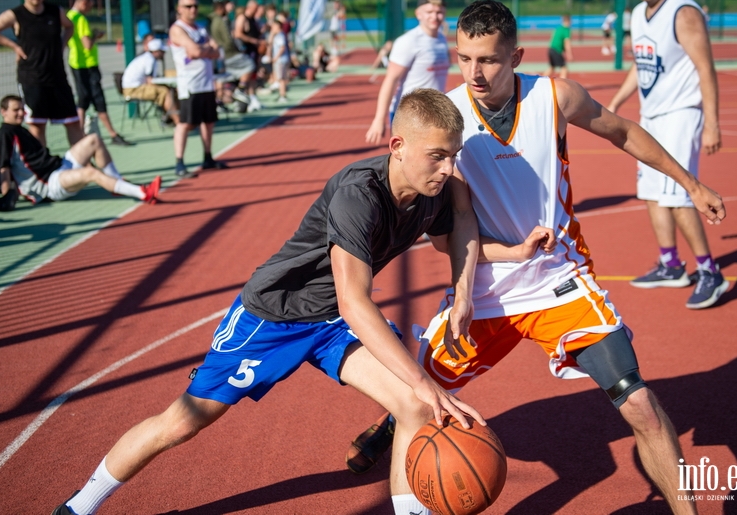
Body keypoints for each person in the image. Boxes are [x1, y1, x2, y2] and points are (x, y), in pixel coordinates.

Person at [346, 0, 726, 515]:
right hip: (483, 287)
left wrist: (691, 182)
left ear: (517, 55)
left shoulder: (556, 98)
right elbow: (450, 233)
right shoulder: (448, 120)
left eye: (488, 60)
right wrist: (463, 292)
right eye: (464, 59)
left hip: (558, 281)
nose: (474, 73)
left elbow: (623, 131)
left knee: (640, 404)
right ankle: (392, 425)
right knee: (417, 398)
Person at [51, 88, 486, 515]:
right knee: (182, 422)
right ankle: (77, 507)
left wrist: (463, 291)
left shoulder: (435, 190)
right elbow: (355, 301)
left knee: (414, 406)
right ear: (397, 147)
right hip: (273, 317)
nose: (449, 169)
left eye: (454, 155)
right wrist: (423, 379)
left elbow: (464, 217)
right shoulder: (359, 195)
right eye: (437, 156)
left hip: (331, 321)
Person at [607, 0, 728, 309]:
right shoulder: (638, 14)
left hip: (681, 113)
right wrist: (617, 101)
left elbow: (706, 68)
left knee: (677, 194)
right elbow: (640, 63)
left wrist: (712, 123)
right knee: (650, 192)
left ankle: (710, 271)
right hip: (652, 116)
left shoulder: (683, 12)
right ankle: (671, 264)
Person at [0, 95, 160, 205]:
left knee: (93, 140)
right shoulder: (4, 135)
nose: (21, 113)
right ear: (3, 112)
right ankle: (141, 193)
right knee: (90, 172)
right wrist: (6, 196)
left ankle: (117, 183)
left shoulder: (20, 129)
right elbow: (4, 167)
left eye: (22, 109)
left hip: (59, 167)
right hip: (50, 185)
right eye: (16, 110)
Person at [0, 0, 83, 147]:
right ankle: (43, 167)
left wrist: (62, 44)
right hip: (32, 78)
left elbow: (70, 26)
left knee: (72, 122)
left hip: (57, 76)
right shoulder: (16, 14)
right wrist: (14, 47)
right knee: (37, 125)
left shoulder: (55, 12)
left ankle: (83, 165)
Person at [364, 0, 451, 144]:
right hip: (409, 113)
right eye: (429, 11)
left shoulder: (442, 40)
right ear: (418, 14)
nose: (434, 16)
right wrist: (379, 119)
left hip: (434, 112)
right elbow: (390, 80)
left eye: (439, 12)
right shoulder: (408, 41)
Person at [169, 0, 228, 177]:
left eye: (195, 6)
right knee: (186, 123)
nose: (193, 9)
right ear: (180, 9)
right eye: (188, 6)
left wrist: (205, 51)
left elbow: (217, 51)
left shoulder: (200, 29)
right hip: (190, 84)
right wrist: (206, 50)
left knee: (208, 122)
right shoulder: (178, 29)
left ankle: (208, 157)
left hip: (206, 83)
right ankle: (179, 162)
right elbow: (194, 51)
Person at [67, 0, 133, 146]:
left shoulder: (69, 15)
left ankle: (82, 134)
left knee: (84, 99)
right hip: (87, 65)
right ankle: (107, 134)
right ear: (83, 3)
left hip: (76, 63)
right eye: (90, 6)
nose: (90, 9)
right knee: (95, 99)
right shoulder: (80, 19)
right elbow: (87, 45)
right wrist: (95, 35)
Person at [208, 0, 254, 109]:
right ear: (220, 8)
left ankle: (219, 102)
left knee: (220, 78)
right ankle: (240, 90)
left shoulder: (211, 20)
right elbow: (227, 40)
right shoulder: (219, 20)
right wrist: (233, 49)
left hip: (218, 54)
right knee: (250, 65)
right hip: (227, 53)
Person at [121, 37, 179, 122]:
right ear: (156, 51)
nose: (164, 54)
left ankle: (170, 117)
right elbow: (150, 81)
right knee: (165, 92)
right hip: (133, 89)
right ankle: (177, 121)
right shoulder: (149, 60)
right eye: (162, 51)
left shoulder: (147, 58)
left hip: (135, 87)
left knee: (169, 90)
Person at [233, 0, 265, 112]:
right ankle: (244, 96)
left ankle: (252, 98)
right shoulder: (242, 18)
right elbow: (237, 34)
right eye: (255, 8)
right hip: (245, 51)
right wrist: (253, 41)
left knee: (254, 76)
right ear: (250, 7)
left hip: (254, 51)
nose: (257, 11)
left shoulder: (253, 20)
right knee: (248, 74)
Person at [268, 17, 290, 103]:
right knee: (281, 78)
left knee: (281, 79)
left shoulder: (280, 35)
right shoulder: (278, 35)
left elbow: (282, 47)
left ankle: (282, 95)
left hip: (281, 60)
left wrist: (276, 57)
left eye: (273, 26)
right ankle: (282, 94)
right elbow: (269, 43)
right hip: (282, 59)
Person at [544, 13, 573, 78]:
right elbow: (567, 43)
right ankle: (563, 84)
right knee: (564, 68)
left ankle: (540, 81)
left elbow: (552, 39)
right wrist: (569, 54)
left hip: (551, 49)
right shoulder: (566, 30)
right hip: (556, 50)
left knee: (552, 67)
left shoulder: (558, 29)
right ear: (569, 21)